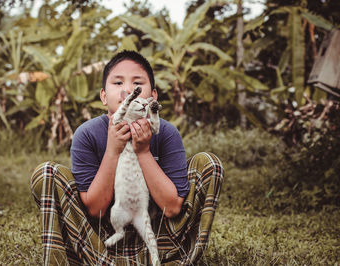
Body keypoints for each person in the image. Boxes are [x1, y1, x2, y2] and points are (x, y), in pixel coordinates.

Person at [30, 50, 224, 265]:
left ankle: (176, 259)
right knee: (46, 173)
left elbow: (172, 207)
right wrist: (113, 150)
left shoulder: (166, 133)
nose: (128, 89)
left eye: (137, 83)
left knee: (210, 164)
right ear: (104, 96)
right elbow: (96, 210)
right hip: (97, 245)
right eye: (118, 82)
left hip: (160, 241)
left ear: (153, 97)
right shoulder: (87, 133)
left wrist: (143, 152)